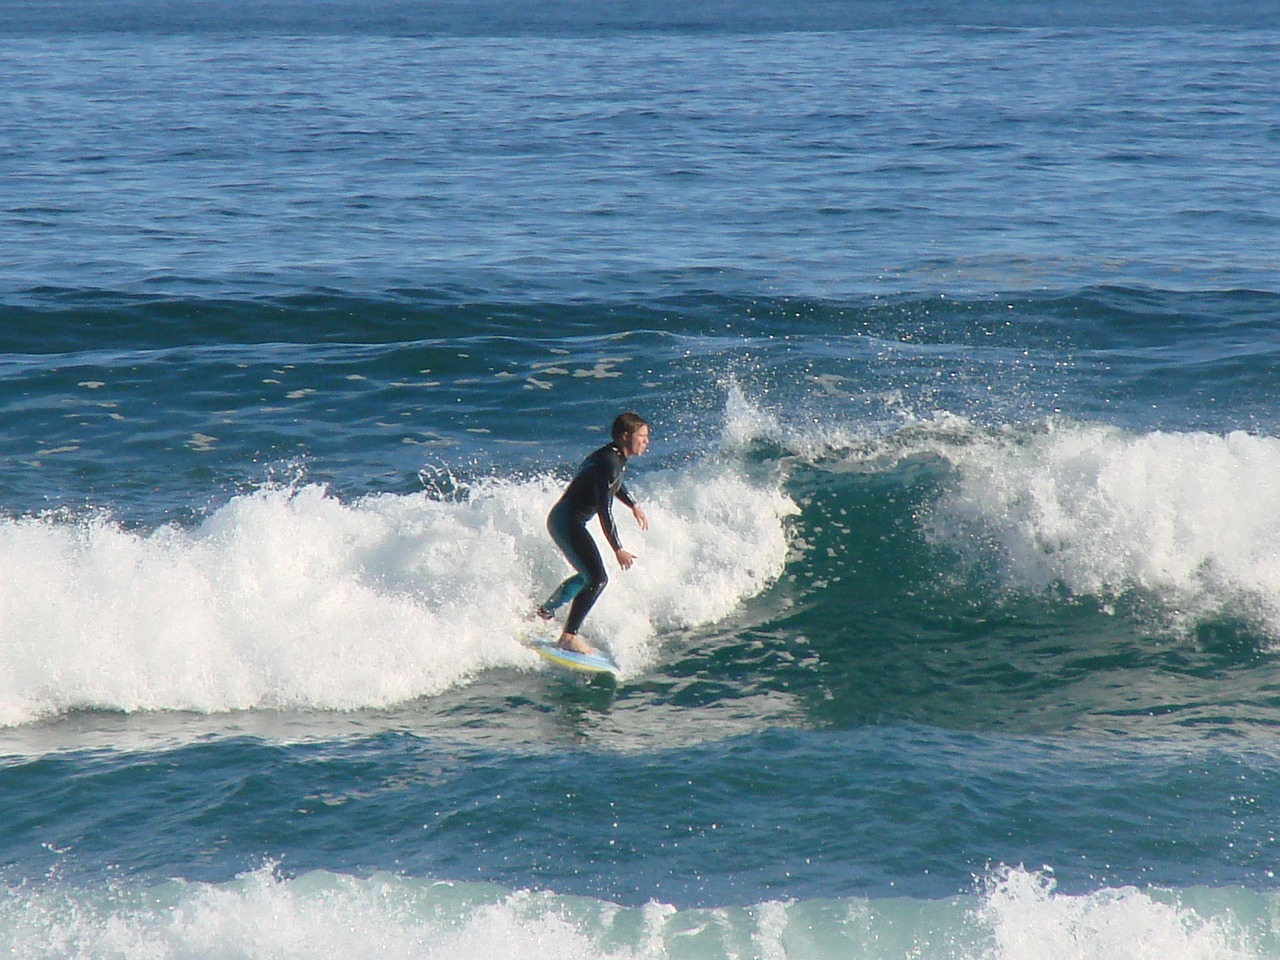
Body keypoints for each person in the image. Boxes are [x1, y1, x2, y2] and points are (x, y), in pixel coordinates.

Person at [537, 412, 650, 654]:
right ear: (625, 436)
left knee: (587, 575)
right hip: (567, 521)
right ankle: (569, 636)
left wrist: (633, 505)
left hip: (564, 519)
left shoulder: (613, 458)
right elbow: (604, 509)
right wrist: (618, 548)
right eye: (642, 436)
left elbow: (614, 485)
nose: (646, 441)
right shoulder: (608, 462)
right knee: (597, 578)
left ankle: (544, 613)